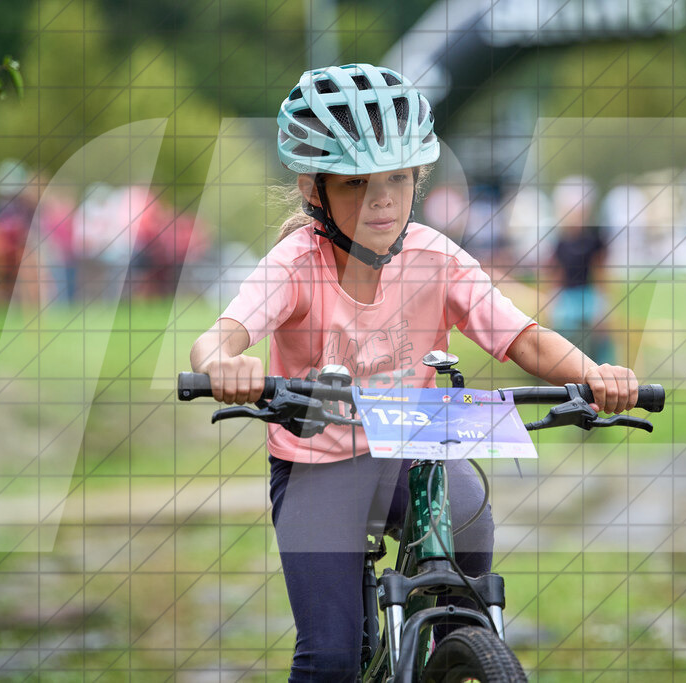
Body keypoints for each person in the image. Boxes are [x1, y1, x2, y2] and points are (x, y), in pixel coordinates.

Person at [188, 64, 639, 682]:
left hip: (415, 450)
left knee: (469, 523)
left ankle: (454, 657)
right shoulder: (293, 265)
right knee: (331, 657)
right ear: (314, 190)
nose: (382, 200)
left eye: (398, 178)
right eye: (356, 183)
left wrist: (596, 373)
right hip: (320, 463)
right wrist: (222, 364)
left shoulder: (436, 257)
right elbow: (221, 335)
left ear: (417, 178)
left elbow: (524, 338)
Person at [547, 175, 614, 363]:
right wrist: (552, 301)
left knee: (599, 342)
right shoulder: (560, 241)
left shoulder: (595, 239)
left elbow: (600, 272)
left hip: (588, 296)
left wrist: (602, 305)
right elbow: (556, 273)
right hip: (567, 299)